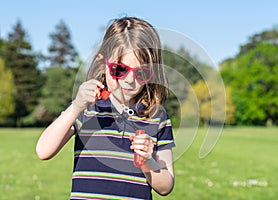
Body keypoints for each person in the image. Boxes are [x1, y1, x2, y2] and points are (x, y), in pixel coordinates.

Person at [36, 16, 175, 199]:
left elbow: (165, 187)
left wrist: (149, 161)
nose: (129, 80)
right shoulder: (86, 108)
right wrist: (76, 106)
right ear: (103, 64)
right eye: (119, 70)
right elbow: (43, 151)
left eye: (141, 73)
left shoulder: (157, 116)